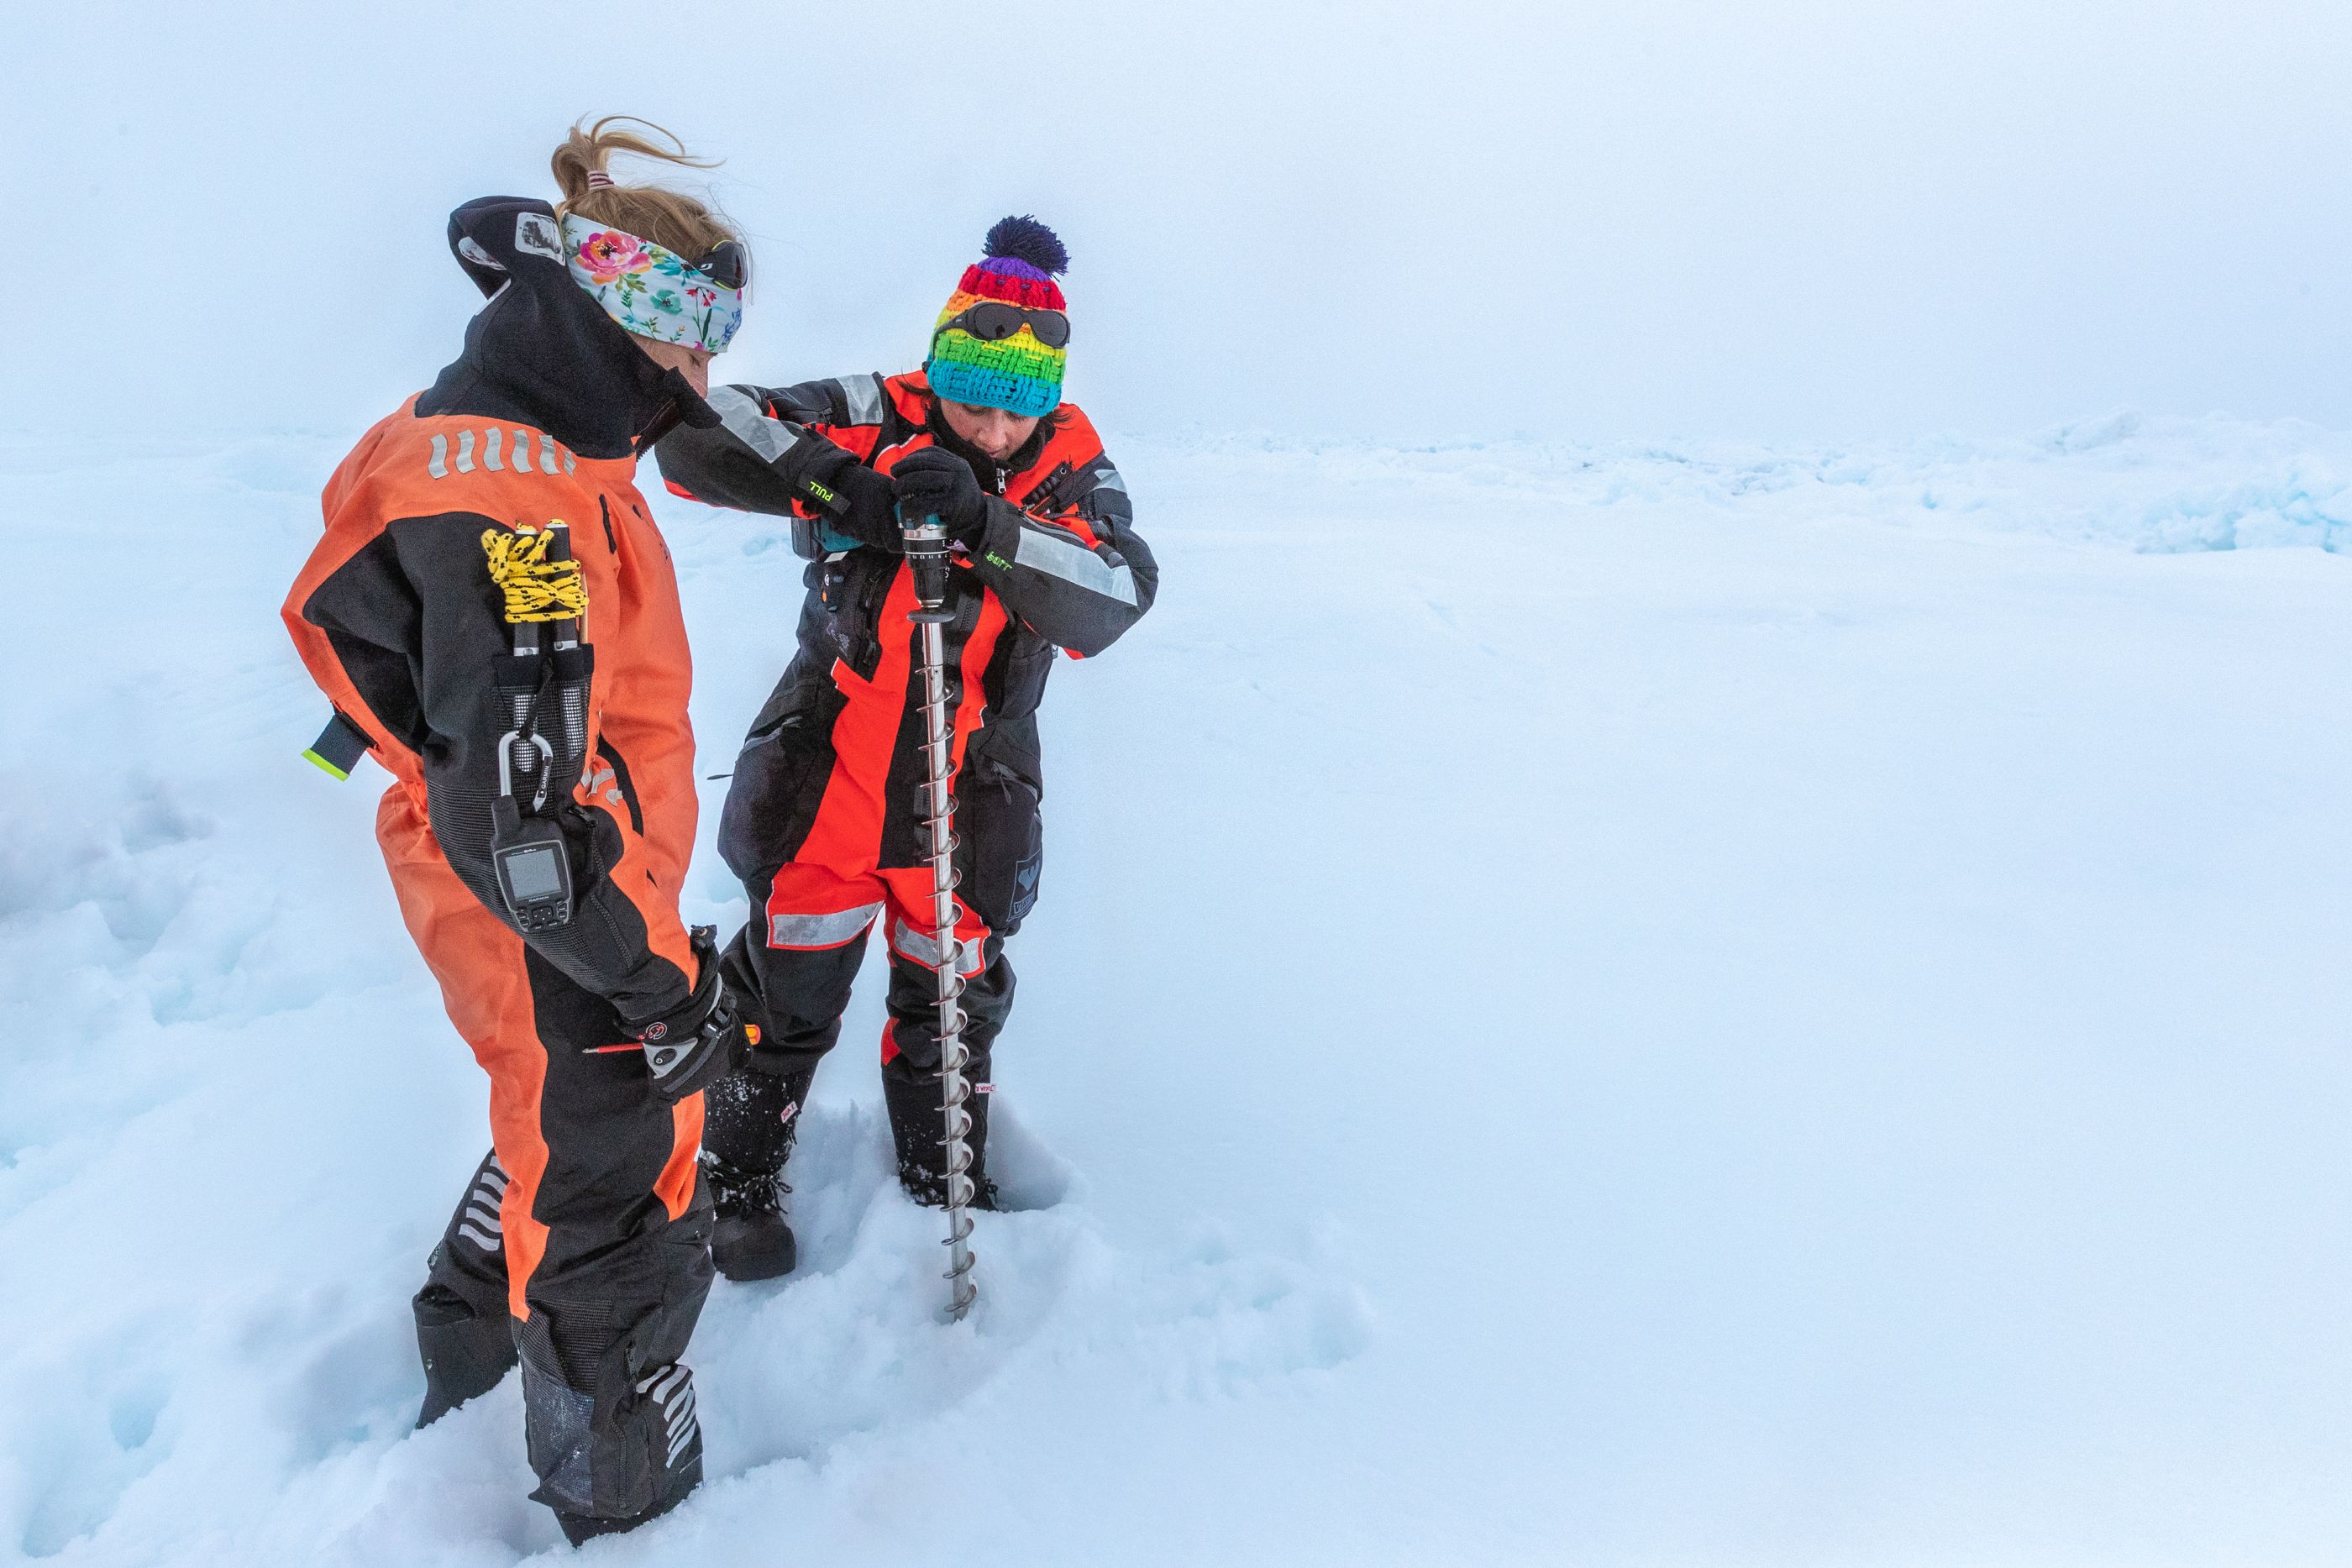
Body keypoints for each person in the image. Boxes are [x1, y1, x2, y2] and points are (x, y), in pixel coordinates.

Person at [281, 119, 753, 1543]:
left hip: (561, 881)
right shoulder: (513, 508)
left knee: (548, 1106)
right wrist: (653, 977)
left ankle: (474, 1329)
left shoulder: (528, 423)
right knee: (614, 1151)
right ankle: (613, 1474)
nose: (708, 369)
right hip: (552, 899)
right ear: (623, 317)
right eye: (697, 331)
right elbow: (527, 828)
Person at [654, 216, 1156, 1280]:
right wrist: (854, 490)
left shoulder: (1070, 460)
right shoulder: (876, 410)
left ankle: (942, 1168)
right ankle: (738, 1178)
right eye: (971, 397)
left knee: (951, 996)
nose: (990, 426)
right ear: (940, 366)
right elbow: (698, 434)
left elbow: (1117, 594)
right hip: (825, 772)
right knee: (784, 994)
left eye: (1016, 408)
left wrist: (989, 528)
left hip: (971, 788)